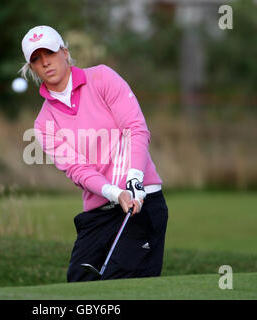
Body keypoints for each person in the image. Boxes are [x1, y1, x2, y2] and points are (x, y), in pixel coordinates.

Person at [20, 25, 168, 282]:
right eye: (36, 58)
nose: (45, 62)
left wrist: (133, 179)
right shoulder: (44, 124)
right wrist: (115, 192)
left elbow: (135, 129)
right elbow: (78, 170)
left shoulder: (101, 78)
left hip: (140, 203)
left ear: (65, 52)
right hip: (100, 210)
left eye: (50, 53)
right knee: (79, 281)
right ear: (31, 68)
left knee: (121, 282)